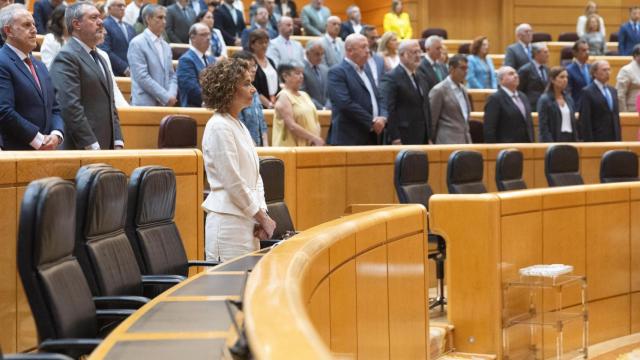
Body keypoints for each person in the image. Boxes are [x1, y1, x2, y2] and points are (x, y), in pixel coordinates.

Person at [200, 58, 276, 262]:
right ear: (227, 89)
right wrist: (261, 217)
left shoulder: (238, 125)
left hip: (248, 221)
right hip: (228, 224)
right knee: (227, 290)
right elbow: (233, 181)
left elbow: (255, 177)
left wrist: (261, 213)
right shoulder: (218, 126)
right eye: (246, 83)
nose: (253, 89)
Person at [49, 2, 123, 150]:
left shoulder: (100, 57)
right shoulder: (66, 57)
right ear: (76, 24)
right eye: (94, 17)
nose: (101, 21)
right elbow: (70, 107)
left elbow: (111, 104)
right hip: (82, 149)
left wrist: (117, 141)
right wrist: (91, 145)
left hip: (106, 146)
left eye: (100, 17)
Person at [0, 4, 64, 150]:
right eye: (27, 25)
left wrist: (56, 134)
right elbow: (3, 110)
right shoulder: (2, 61)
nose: (34, 29)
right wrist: (38, 139)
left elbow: (55, 108)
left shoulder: (40, 66)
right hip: (17, 152)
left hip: (49, 151)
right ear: (8, 30)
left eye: (34, 24)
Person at [327, 33, 387, 145]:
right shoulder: (337, 72)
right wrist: (372, 121)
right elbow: (345, 103)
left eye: (368, 47)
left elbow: (379, 97)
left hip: (373, 135)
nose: (368, 50)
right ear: (350, 51)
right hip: (349, 137)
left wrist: (383, 117)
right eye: (363, 47)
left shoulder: (367, 71)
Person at [380, 40, 430, 145]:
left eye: (419, 52)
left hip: (422, 135)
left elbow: (425, 106)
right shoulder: (391, 77)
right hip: (403, 136)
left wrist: (429, 135)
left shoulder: (421, 76)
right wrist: (395, 137)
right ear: (402, 55)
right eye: (414, 52)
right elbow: (389, 109)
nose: (418, 56)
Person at [128, 4, 178, 106]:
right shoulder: (137, 43)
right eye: (160, 17)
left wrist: (172, 94)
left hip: (165, 104)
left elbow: (172, 75)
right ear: (148, 19)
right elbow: (142, 77)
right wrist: (166, 96)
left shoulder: (166, 45)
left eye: (165, 18)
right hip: (145, 104)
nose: (164, 21)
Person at [272, 63, 323, 146]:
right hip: (290, 147)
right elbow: (292, 126)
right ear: (285, 76)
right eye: (297, 73)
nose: (301, 76)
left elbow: (315, 120)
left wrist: (315, 137)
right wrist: (313, 137)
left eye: (302, 73)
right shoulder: (284, 96)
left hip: (309, 144)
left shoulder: (304, 95)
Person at [483, 66, 534, 143]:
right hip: (506, 147)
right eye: (511, 74)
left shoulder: (523, 96)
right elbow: (489, 128)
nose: (516, 76)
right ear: (501, 80)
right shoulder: (495, 99)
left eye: (516, 73)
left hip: (526, 145)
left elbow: (528, 123)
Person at [429, 54, 472, 144]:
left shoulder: (463, 89)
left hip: (465, 140)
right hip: (446, 142)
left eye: (467, 68)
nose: (466, 71)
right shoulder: (439, 90)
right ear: (451, 69)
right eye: (462, 68)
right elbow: (432, 121)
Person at [233, 50, 269, 146]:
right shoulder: (235, 92)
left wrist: (266, 147)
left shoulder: (254, 90)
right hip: (245, 146)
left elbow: (262, 122)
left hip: (259, 146)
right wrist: (253, 149)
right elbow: (239, 123)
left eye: (254, 66)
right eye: (250, 66)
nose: (253, 70)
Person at [579, 60, 621, 141]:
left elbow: (615, 116)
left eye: (609, 69)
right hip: (597, 137)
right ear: (594, 73)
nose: (608, 72)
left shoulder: (613, 91)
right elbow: (585, 119)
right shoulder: (587, 92)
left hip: (614, 137)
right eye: (604, 70)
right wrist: (589, 141)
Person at [537, 67, 579, 142]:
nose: (565, 80)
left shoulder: (569, 99)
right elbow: (543, 126)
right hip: (554, 138)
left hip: (570, 138)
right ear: (552, 80)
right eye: (562, 77)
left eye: (566, 77)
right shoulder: (545, 100)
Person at [177, 23, 214, 107]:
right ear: (193, 38)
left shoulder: (211, 59)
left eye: (209, 34)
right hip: (194, 108)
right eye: (203, 35)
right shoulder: (186, 60)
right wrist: (214, 100)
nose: (208, 38)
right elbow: (191, 89)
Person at [100, 0, 135, 76]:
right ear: (109, 8)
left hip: (133, 71)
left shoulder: (130, 27)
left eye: (124, 6)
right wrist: (124, 68)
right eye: (119, 6)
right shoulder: (104, 25)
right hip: (115, 72)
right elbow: (105, 50)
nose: (122, 8)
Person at [248, 29, 278, 108]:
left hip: (274, 102)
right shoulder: (250, 62)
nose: (264, 45)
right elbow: (253, 88)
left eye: (266, 42)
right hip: (259, 104)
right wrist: (269, 105)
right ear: (252, 45)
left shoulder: (270, 61)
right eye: (260, 43)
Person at [517, 42, 550, 109]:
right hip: (531, 106)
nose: (548, 55)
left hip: (546, 105)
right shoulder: (525, 70)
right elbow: (519, 90)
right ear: (536, 54)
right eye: (545, 52)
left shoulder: (547, 69)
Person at [301, 40, 329, 109]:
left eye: (322, 54)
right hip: (309, 110)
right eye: (317, 54)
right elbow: (303, 94)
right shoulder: (300, 70)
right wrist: (321, 108)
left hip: (327, 110)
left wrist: (327, 107)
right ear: (307, 54)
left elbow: (330, 92)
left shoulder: (325, 69)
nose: (320, 57)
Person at [40, 4, 67, 68]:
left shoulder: (77, 37)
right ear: (60, 20)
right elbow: (48, 66)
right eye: (69, 17)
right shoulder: (50, 38)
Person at [566, 39, 591, 109]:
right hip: (577, 108)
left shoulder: (591, 68)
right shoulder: (568, 70)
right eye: (583, 50)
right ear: (575, 53)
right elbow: (568, 94)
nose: (587, 52)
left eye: (588, 50)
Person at [616, 44, 640, 112]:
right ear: (635, 56)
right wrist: (624, 113)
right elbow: (620, 95)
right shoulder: (626, 70)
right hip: (633, 110)